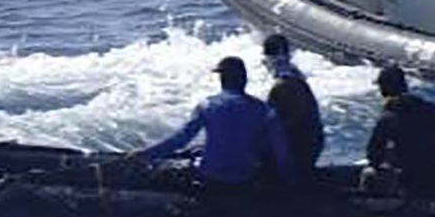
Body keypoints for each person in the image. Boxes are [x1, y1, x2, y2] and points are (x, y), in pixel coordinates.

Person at [139, 55, 293, 186]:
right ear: (244, 79)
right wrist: (289, 181)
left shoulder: (207, 105)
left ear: (222, 79)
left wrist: (143, 154)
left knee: (179, 160)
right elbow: (282, 152)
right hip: (245, 176)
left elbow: (179, 141)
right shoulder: (265, 111)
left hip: (210, 175)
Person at [365, 63, 435, 196]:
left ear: (383, 89)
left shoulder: (390, 116)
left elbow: (373, 154)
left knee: (369, 174)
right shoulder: (431, 108)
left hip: (412, 181)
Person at [260, 33, 325, 174]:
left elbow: (276, 128)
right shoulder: (297, 75)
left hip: (299, 154)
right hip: (310, 147)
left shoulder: (283, 85)